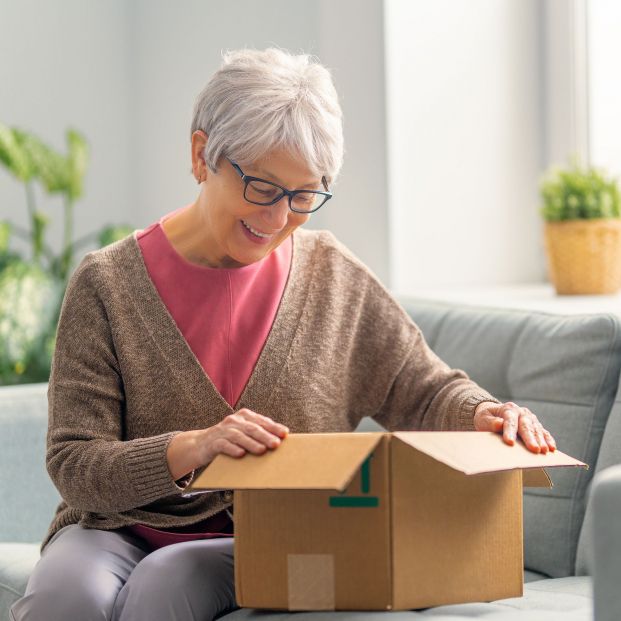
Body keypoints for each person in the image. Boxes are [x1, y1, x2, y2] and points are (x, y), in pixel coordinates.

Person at [11, 47, 556, 621]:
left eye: (303, 197)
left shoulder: (334, 277)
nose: (277, 219)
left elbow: (421, 389)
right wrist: (192, 448)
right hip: (116, 529)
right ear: (202, 156)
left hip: (285, 535)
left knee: (167, 581)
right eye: (262, 188)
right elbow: (75, 462)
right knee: (64, 597)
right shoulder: (107, 284)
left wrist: (485, 413)